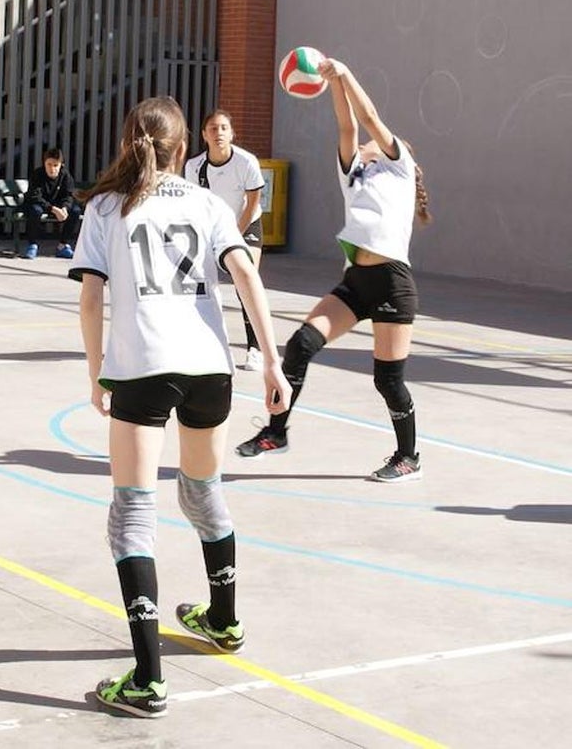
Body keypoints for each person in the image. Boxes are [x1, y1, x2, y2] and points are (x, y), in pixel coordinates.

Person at [69, 97, 289, 718]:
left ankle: (148, 680)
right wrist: (271, 361)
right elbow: (247, 275)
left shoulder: (106, 207)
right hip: (208, 367)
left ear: (128, 142)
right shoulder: (207, 202)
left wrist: (96, 372)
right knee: (201, 493)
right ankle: (223, 619)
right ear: (183, 147)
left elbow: (91, 300)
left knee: (131, 515)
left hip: (144, 365)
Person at [234, 58, 432, 483]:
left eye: (379, 142)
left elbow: (368, 117)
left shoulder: (398, 169)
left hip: (393, 284)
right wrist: (333, 84)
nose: (369, 142)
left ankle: (409, 456)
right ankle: (275, 432)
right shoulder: (353, 174)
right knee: (300, 345)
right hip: (356, 282)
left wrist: (344, 73)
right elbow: (348, 126)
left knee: (387, 381)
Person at [185, 110, 267, 370]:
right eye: (212, 128)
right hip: (210, 229)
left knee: (246, 280)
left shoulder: (246, 162)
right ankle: (200, 343)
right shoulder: (194, 166)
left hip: (246, 224)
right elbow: (195, 206)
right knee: (200, 284)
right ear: (204, 135)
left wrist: (234, 235)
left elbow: (252, 202)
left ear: (232, 133)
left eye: (223, 128)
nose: (218, 133)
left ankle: (255, 348)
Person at [22, 147, 81, 259]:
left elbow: (68, 195)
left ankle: (63, 245)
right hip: (40, 204)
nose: (52, 168)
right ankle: (32, 245)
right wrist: (52, 209)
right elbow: (35, 196)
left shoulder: (65, 176)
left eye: (55, 165)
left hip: (58, 206)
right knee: (35, 210)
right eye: (49, 164)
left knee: (75, 211)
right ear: (44, 163)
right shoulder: (37, 174)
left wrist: (65, 208)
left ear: (61, 165)